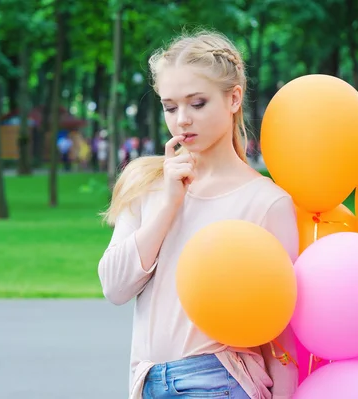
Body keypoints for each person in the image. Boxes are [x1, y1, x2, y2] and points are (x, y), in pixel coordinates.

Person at [98, 30, 299, 399]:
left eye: (198, 104)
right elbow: (114, 286)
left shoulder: (267, 203)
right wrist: (169, 203)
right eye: (170, 107)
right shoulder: (145, 181)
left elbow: (281, 335)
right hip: (146, 379)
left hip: (219, 378)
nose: (182, 120)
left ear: (233, 98)